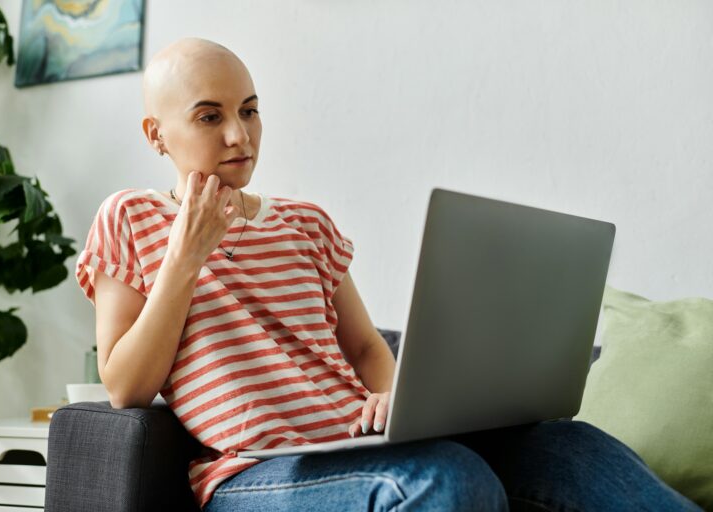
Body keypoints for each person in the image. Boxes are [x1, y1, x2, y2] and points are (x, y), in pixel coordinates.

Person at [75, 38, 702, 512]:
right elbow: (127, 385)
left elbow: (366, 347)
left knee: (573, 445)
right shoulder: (131, 217)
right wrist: (185, 260)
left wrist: (392, 400)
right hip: (255, 470)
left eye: (251, 110)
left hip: (358, 441)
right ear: (157, 135)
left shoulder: (306, 223)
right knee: (445, 478)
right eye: (210, 116)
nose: (240, 135)